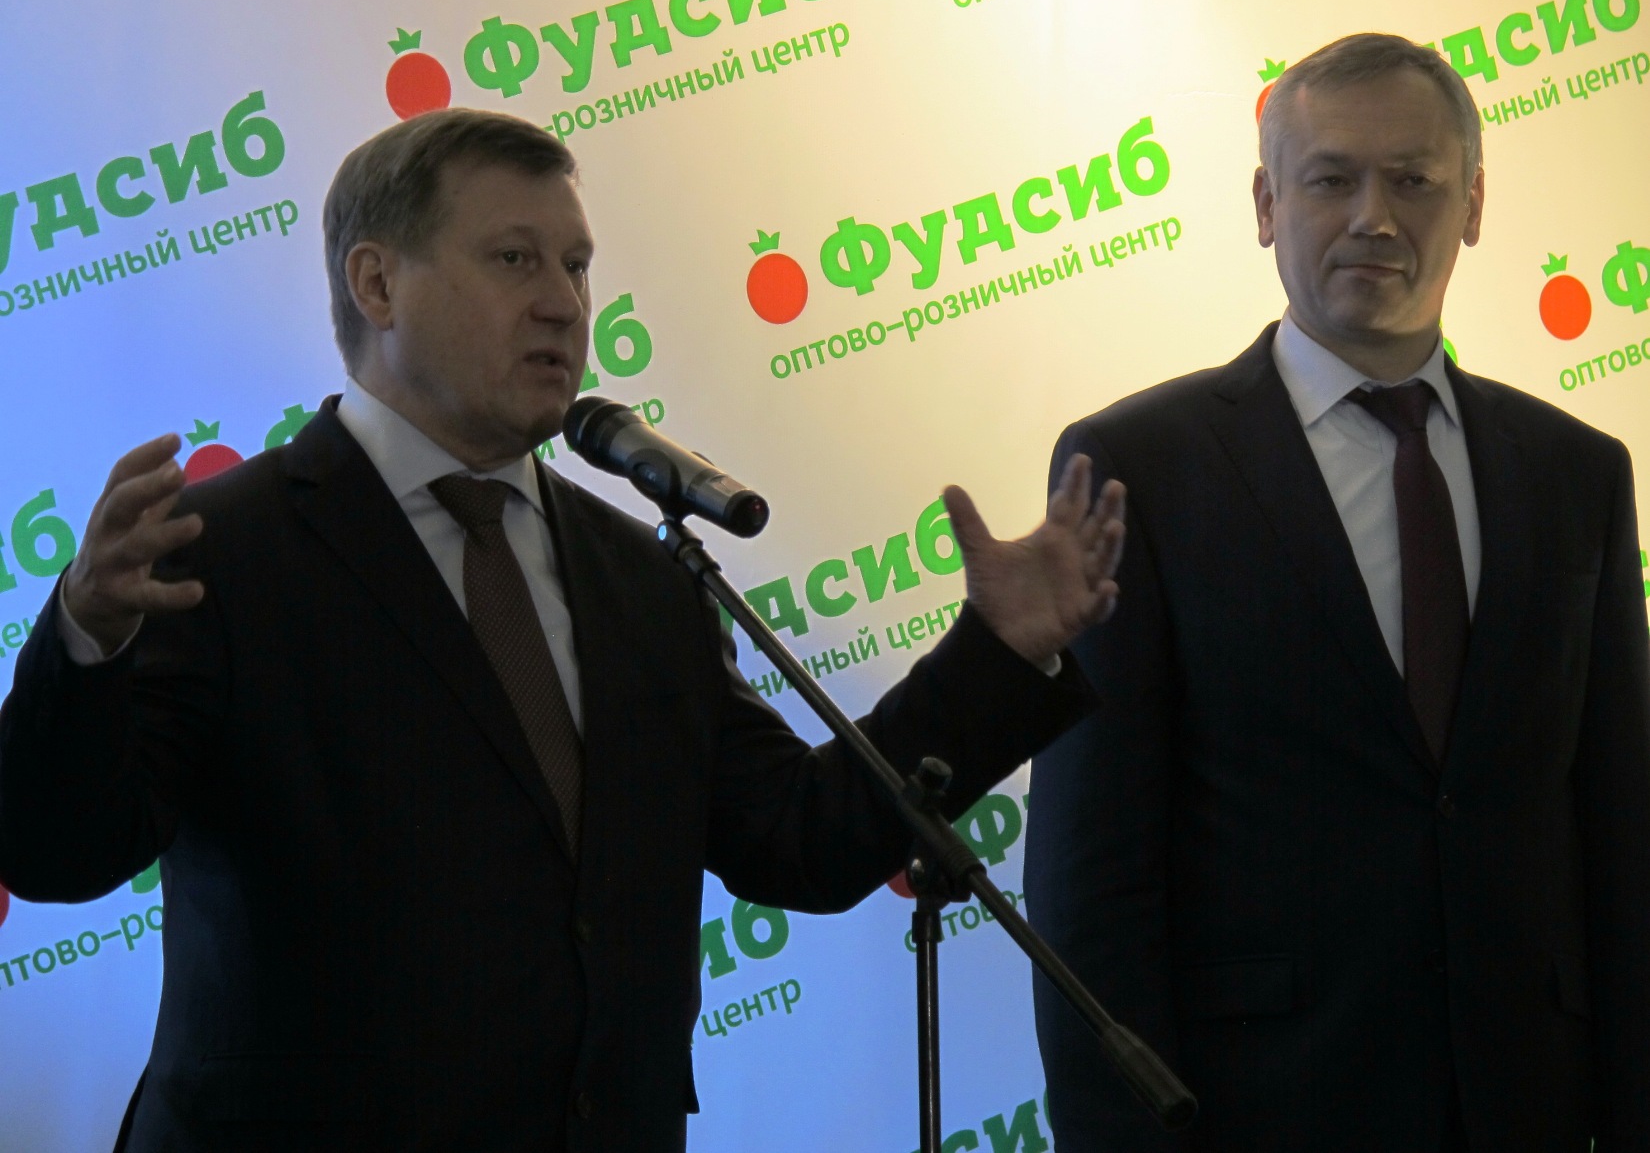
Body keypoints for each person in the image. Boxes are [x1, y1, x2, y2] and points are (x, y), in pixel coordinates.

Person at [0, 108, 1127, 1153]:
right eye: (514, 259)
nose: (563, 303)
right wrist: (86, 636)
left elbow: (801, 838)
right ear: (377, 282)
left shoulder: (644, 573)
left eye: (577, 265)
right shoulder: (217, 551)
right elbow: (57, 853)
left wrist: (997, 649)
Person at [1025, 33, 1650, 1152]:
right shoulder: (1139, 468)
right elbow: (1091, 878)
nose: (1374, 217)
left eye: (1414, 180)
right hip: (1263, 1109)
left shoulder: (1579, 473)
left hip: (1531, 1107)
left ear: (1473, 205)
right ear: (1267, 205)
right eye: (1330, 180)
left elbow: (1621, 837)